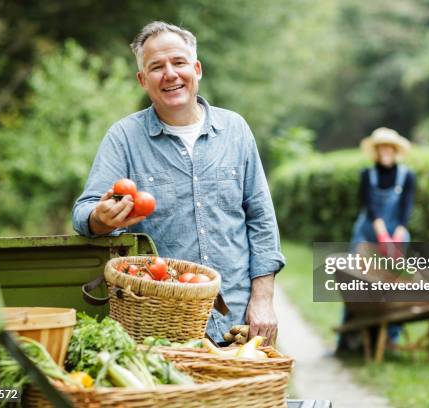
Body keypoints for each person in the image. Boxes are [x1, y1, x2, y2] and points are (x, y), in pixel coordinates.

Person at [72, 21, 285, 345]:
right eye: (156, 67)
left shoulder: (236, 130)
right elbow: (83, 213)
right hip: (160, 325)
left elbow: (261, 220)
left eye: (179, 62)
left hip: (237, 322)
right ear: (143, 80)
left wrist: (263, 299)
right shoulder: (124, 138)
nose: (169, 74)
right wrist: (99, 219)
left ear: (196, 69)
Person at [337, 127, 416, 353]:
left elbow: (405, 210)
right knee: (354, 282)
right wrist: (382, 236)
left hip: (396, 234)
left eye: (388, 147)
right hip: (367, 234)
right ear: (376, 150)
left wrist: (397, 237)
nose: (385, 151)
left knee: (393, 282)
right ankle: (348, 336)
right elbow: (371, 208)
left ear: (395, 149)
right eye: (381, 147)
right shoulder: (367, 175)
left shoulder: (407, 176)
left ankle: (391, 336)